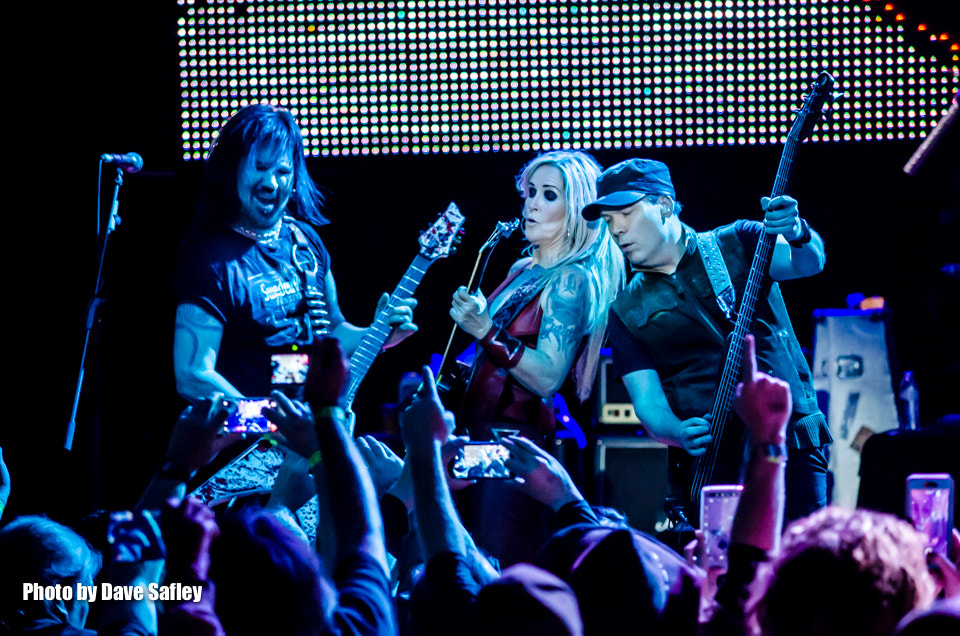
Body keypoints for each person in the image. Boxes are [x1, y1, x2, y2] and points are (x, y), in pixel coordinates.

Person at [582, 158, 831, 522]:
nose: (617, 229)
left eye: (627, 213)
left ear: (664, 204)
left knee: (806, 563)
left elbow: (806, 263)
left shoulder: (738, 242)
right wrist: (678, 432)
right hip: (715, 462)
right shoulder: (625, 310)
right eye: (608, 220)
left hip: (788, 439)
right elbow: (648, 403)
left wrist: (798, 232)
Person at [447, 150, 626, 566]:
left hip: (515, 447)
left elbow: (546, 376)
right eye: (530, 192)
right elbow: (485, 357)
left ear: (577, 210)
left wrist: (484, 329)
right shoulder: (522, 266)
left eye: (548, 195)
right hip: (475, 440)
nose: (531, 203)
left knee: (500, 573)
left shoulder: (571, 279)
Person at [173, 103, 417, 403]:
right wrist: (267, 426)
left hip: (306, 430)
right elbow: (192, 376)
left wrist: (378, 335)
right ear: (232, 169)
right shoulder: (211, 261)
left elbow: (332, 330)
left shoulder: (303, 240)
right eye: (260, 167)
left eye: (283, 171)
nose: (271, 183)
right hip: (252, 443)